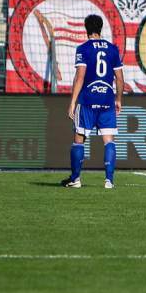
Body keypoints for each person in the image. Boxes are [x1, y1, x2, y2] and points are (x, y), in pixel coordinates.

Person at [61, 15, 124, 189]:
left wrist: (73, 101)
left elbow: (80, 77)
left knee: (79, 139)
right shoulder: (113, 49)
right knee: (109, 140)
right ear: (101, 28)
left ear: (86, 28)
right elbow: (119, 78)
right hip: (107, 100)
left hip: (88, 100)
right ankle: (109, 181)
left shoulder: (83, 48)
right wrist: (118, 99)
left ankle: (75, 179)